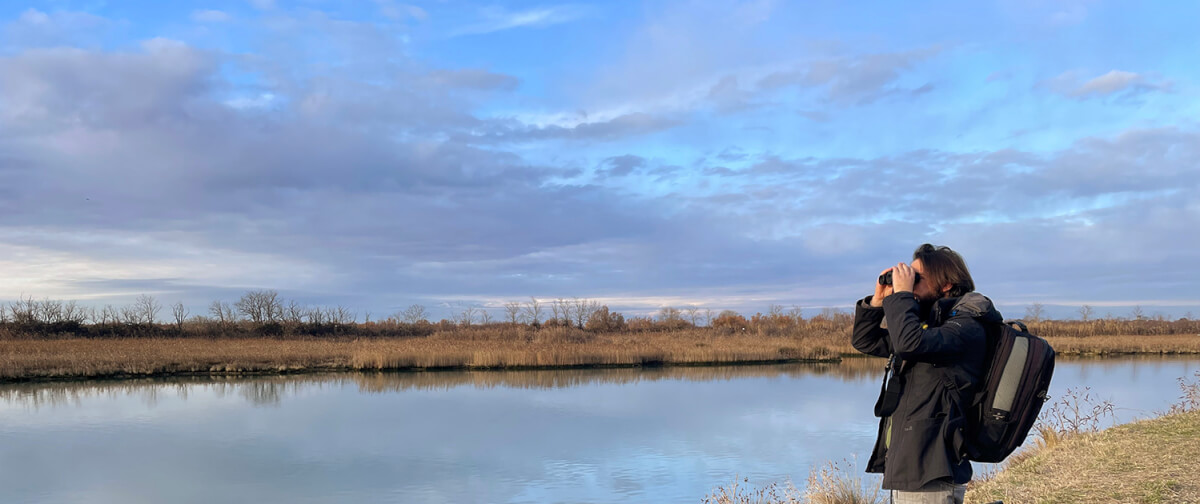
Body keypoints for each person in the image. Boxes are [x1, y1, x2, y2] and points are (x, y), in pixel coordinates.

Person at [852, 244, 1002, 504]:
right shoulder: (930, 328)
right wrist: (878, 300)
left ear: (946, 283)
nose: (909, 282)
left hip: (932, 466)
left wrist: (900, 297)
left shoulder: (966, 327)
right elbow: (865, 340)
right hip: (915, 464)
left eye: (917, 277)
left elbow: (909, 343)